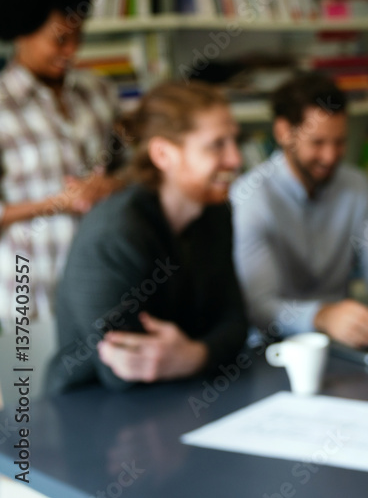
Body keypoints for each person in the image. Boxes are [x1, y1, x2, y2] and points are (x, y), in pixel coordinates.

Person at [46, 82, 248, 393]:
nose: (235, 159)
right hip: (91, 411)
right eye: (216, 145)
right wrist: (203, 352)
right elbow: (124, 368)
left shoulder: (215, 213)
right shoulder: (116, 233)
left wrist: (194, 356)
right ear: (163, 154)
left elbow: (235, 324)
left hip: (182, 395)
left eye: (234, 140)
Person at [231, 75, 368, 348]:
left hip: (342, 342)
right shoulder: (250, 196)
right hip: (276, 349)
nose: (330, 156)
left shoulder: (356, 185)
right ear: (284, 132)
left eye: (340, 142)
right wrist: (321, 316)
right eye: (317, 143)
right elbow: (259, 306)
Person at [0, 0, 121, 319]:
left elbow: (135, 170)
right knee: (26, 377)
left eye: (79, 36)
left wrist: (110, 186)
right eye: (60, 39)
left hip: (107, 281)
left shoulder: (98, 92)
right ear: (21, 31)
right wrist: (56, 202)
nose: (71, 51)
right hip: (28, 292)